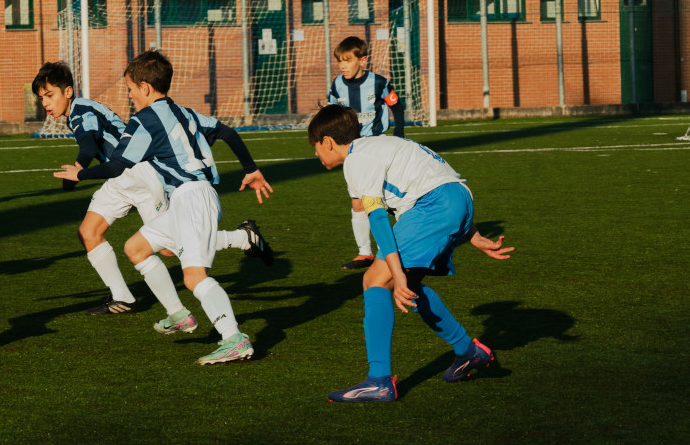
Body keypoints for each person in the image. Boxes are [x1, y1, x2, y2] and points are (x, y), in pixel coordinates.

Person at [54, 50, 272, 365]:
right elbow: (227, 132)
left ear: (144, 87)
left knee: (194, 277)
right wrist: (250, 168)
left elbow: (115, 166)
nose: (129, 96)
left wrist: (80, 174)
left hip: (192, 198)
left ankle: (234, 339)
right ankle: (180, 315)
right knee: (136, 248)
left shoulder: (144, 121)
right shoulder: (185, 112)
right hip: (189, 197)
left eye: (130, 89)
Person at [307, 103, 513, 402]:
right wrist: (473, 234)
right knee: (409, 287)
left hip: (433, 206)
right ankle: (469, 351)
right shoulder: (379, 144)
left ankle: (379, 381)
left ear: (327, 142)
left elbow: (378, 217)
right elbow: (437, 181)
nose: (316, 154)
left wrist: (396, 272)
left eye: (315, 147)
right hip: (457, 199)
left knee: (375, 280)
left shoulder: (356, 159)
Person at [326, 36, 407, 271]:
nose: (342, 66)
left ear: (362, 60)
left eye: (347, 60)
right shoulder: (337, 85)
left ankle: (395, 248)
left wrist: (399, 135)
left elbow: (397, 107)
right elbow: (332, 113)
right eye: (340, 61)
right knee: (358, 202)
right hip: (353, 150)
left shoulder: (379, 83)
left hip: (378, 145)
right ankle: (364, 253)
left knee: (387, 198)